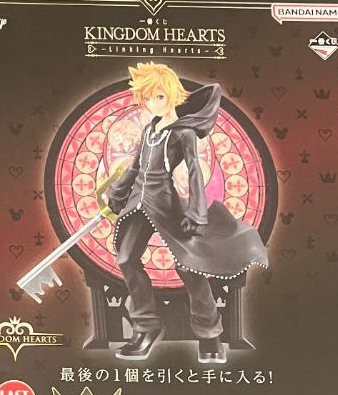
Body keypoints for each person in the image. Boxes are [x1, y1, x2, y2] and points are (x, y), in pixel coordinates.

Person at [107, 63, 268, 363]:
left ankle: (209, 335)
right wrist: (118, 191)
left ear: (171, 95)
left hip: (164, 203)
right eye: (146, 98)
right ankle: (146, 327)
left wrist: (196, 213)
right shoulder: (149, 130)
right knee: (126, 258)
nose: (152, 104)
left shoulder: (184, 133)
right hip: (138, 204)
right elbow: (135, 166)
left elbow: (195, 173)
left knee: (188, 266)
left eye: (158, 96)